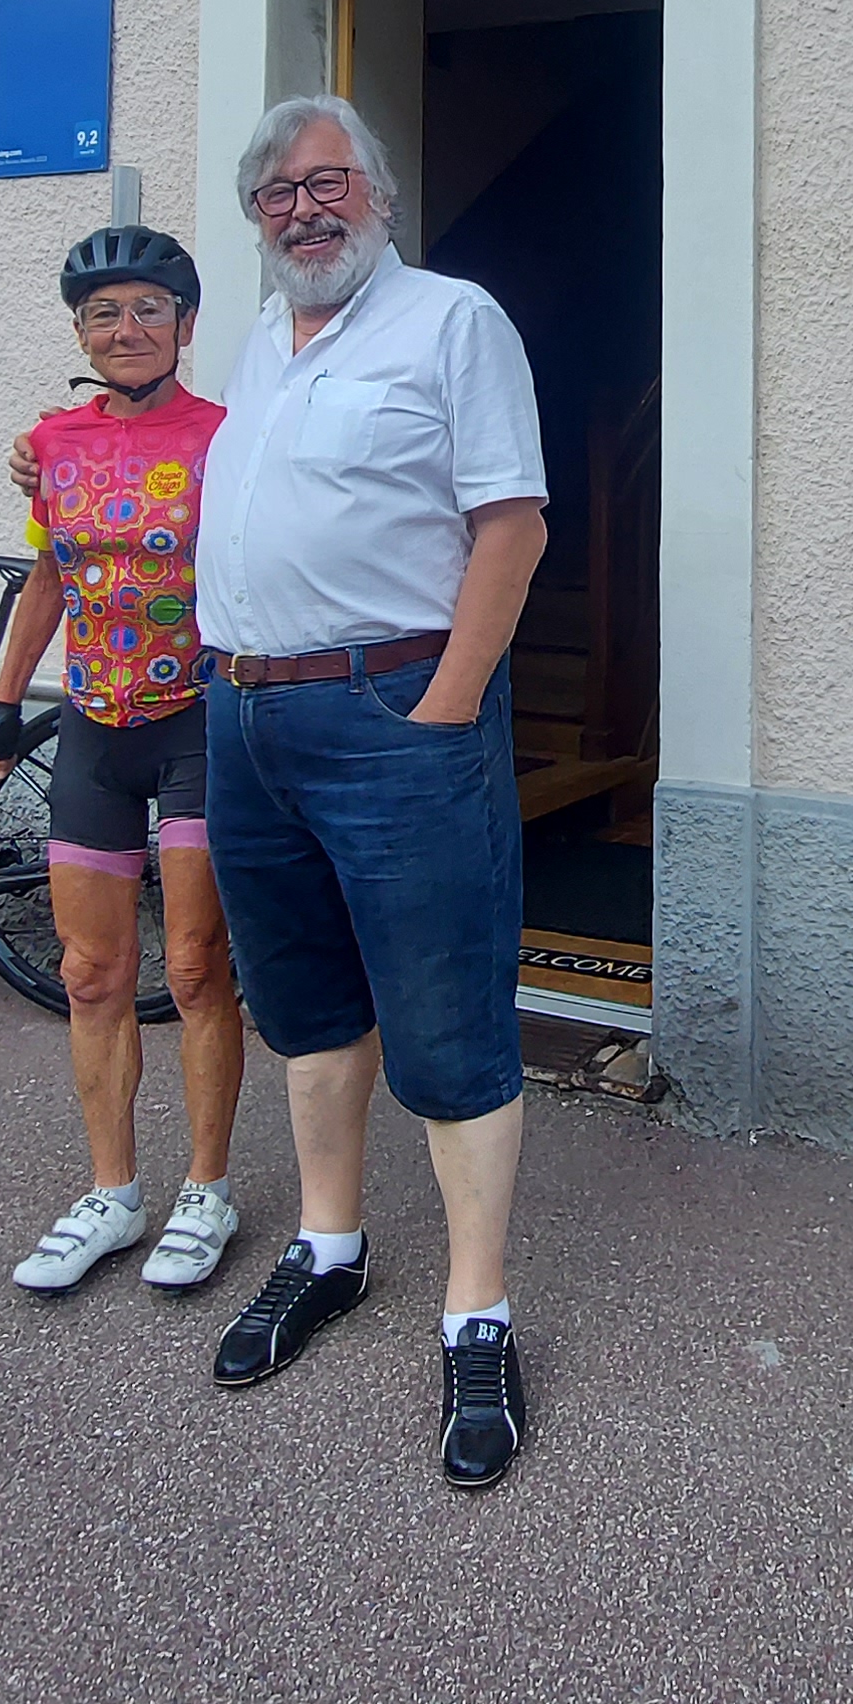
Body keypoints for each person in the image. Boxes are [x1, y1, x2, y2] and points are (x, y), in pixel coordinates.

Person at [161, 97, 551, 1486]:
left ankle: (476, 1310)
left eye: (328, 182)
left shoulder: (452, 321)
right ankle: (330, 1248)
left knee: (447, 1028)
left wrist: (446, 709)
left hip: (397, 714)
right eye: (275, 192)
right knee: (309, 1008)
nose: (303, 208)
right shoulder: (260, 342)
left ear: (380, 196)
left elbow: (512, 525)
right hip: (250, 719)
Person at [0, 224, 247, 1299]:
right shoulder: (52, 444)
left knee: (193, 967)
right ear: (80, 333)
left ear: (185, 324)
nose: (126, 328)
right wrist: (3, 703)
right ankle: (112, 1193)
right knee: (90, 973)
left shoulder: (227, 434)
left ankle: (208, 1189)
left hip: (198, 722)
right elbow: (48, 578)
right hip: (94, 727)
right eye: (104, 313)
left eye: (149, 309)